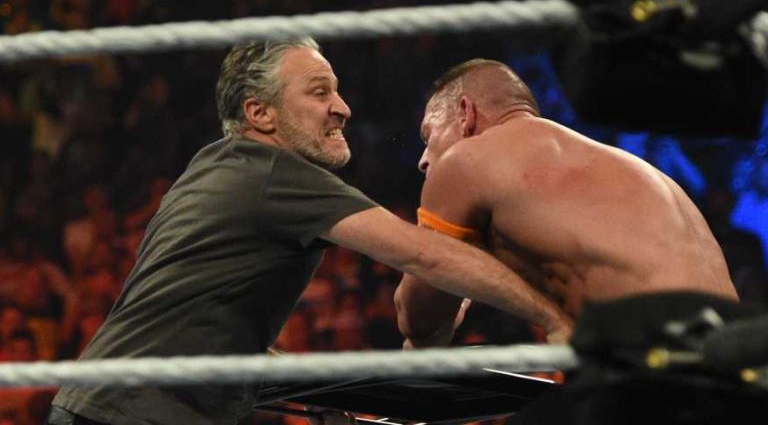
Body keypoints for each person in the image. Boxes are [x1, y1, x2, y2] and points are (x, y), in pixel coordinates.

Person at [47, 40, 571, 425]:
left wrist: (331, 389)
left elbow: (199, 329)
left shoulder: (212, 166)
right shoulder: (275, 174)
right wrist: (551, 315)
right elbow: (427, 257)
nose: (342, 108)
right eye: (320, 92)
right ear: (260, 114)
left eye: (337, 91)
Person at [394, 58, 740, 349]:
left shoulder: (466, 160)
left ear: (464, 113)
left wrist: (447, 303)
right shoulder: (623, 168)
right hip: (739, 370)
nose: (423, 160)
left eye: (428, 135)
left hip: (659, 368)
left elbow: (417, 320)